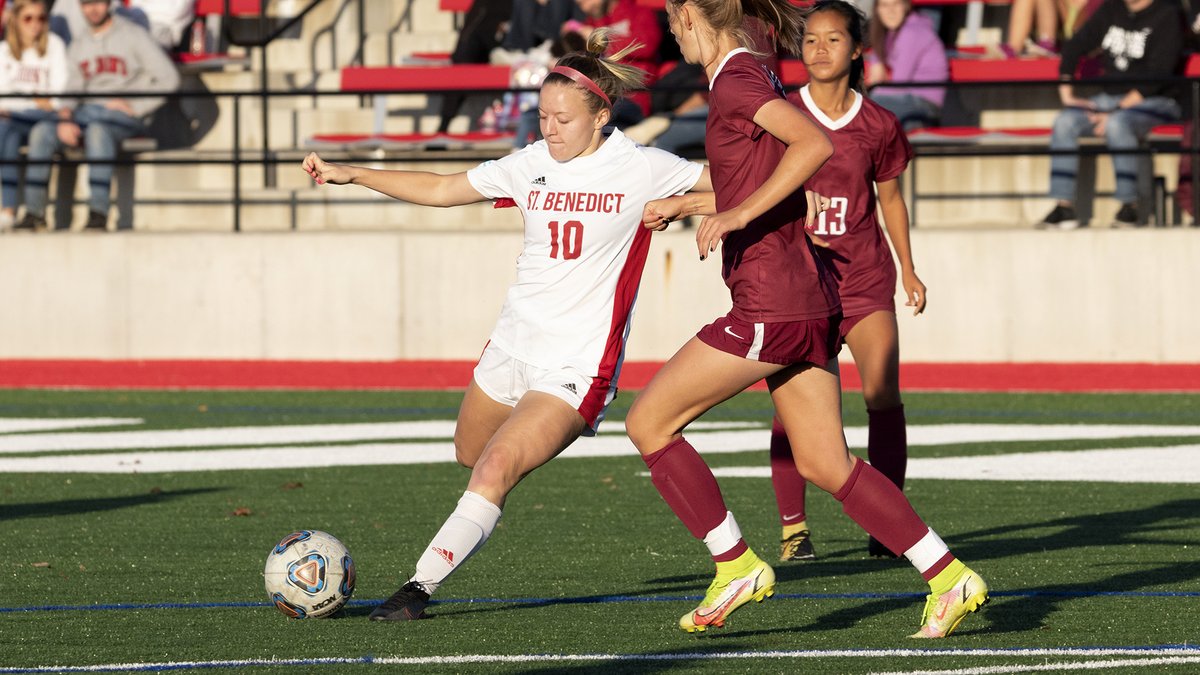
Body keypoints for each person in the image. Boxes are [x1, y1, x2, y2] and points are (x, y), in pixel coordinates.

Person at [301, 30, 710, 622]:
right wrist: (353, 172)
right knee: (472, 453)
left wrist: (693, 206)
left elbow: (738, 187)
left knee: (496, 467)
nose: (549, 129)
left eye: (563, 118)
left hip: (577, 363)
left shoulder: (643, 167)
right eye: (542, 115)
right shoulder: (531, 163)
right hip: (511, 345)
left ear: (601, 116)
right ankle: (490, 492)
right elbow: (444, 189)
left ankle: (415, 591)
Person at [628, 0, 987, 638]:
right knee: (826, 463)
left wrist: (734, 217)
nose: (668, 33)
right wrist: (689, 200)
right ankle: (947, 574)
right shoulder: (753, 75)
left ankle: (735, 563)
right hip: (808, 296)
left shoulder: (739, 78)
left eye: (669, 19)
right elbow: (780, 176)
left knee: (649, 422)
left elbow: (814, 145)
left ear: (689, 15)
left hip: (773, 300)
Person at [768, 0, 925, 563]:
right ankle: (794, 529)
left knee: (883, 397)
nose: (819, 49)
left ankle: (889, 530)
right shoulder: (779, 114)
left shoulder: (879, 122)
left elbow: (891, 199)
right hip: (799, 285)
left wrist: (908, 268)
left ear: (857, 49)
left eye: (832, 39)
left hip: (863, 280)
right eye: (809, 39)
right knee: (796, 410)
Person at [15, 0, 180, 232]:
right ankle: (35, 213)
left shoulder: (133, 35)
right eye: (86, 4)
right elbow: (71, 90)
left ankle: (98, 213)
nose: (92, 9)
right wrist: (65, 117)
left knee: (97, 130)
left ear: (109, 4)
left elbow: (169, 78)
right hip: (87, 114)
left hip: (123, 117)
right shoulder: (80, 44)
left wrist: (137, 105)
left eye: (98, 3)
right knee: (42, 131)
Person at [1037, 0, 1186, 229]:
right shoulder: (1112, 9)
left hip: (1158, 101)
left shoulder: (1168, 13)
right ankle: (1064, 206)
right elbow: (1074, 46)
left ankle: (1129, 207)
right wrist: (1067, 94)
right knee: (1066, 121)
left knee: (1118, 124)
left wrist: (1114, 111)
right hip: (1111, 98)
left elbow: (1159, 75)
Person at [0, 0, 67, 232]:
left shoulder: (55, 46)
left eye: (41, 18)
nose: (35, 24)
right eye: (28, 18)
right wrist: (35, 99)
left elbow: (59, 97)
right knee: (4, 132)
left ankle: (33, 212)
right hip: (14, 119)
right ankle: (8, 210)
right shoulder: (4, 51)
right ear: (16, 21)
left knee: (36, 132)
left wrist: (23, 100)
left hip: (45, 120)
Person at [865, 0, 948, 131]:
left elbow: (899, 83)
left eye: (896, 4)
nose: (890, 11)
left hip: (923, 105)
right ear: (877, 10)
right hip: (907, 100)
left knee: (866, 106)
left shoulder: (913, 31)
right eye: (884, 5)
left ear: (906, 6)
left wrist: (868, 95)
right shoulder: (892, 33)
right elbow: (876, 73)